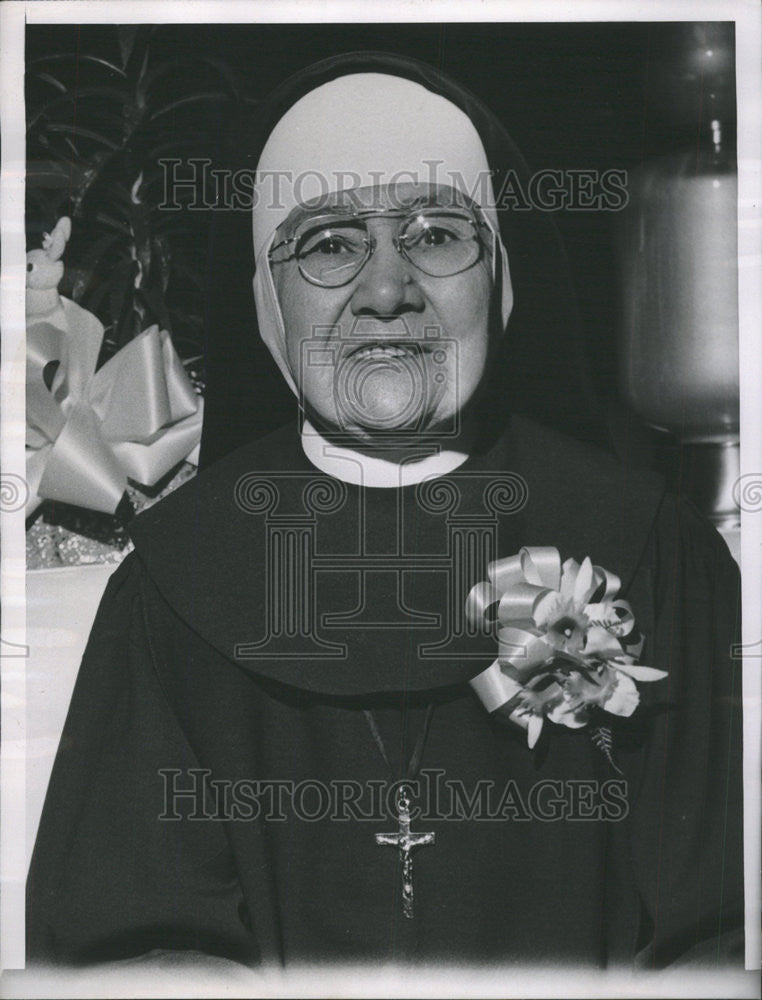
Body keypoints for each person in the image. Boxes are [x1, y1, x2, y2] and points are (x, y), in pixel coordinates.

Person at [27, 51, 744, 970]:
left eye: (438, 234)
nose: (385, 290)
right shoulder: (172, 586)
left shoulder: (648, 549)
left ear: (504, 281)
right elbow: (125, 950)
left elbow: (727, 931)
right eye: (329, 244)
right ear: (267, 307)